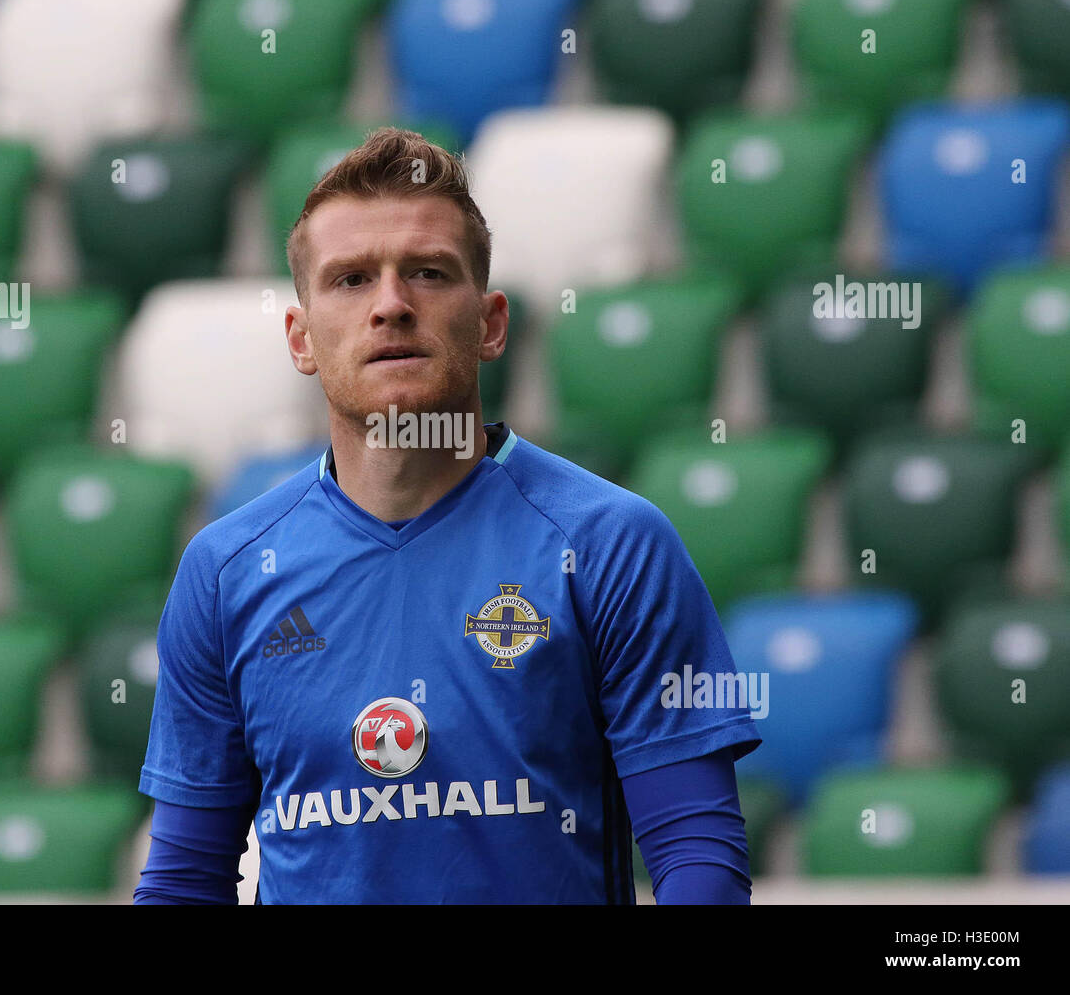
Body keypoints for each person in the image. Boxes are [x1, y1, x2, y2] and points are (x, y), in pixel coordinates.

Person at [135, 127, 761, 904]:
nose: (391, 305)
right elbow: (184, 882)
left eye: (428, 273)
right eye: (351, 279)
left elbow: (698, 857)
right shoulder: (226, 570)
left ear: (492, 322)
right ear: (302, 338)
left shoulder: (611, 544)